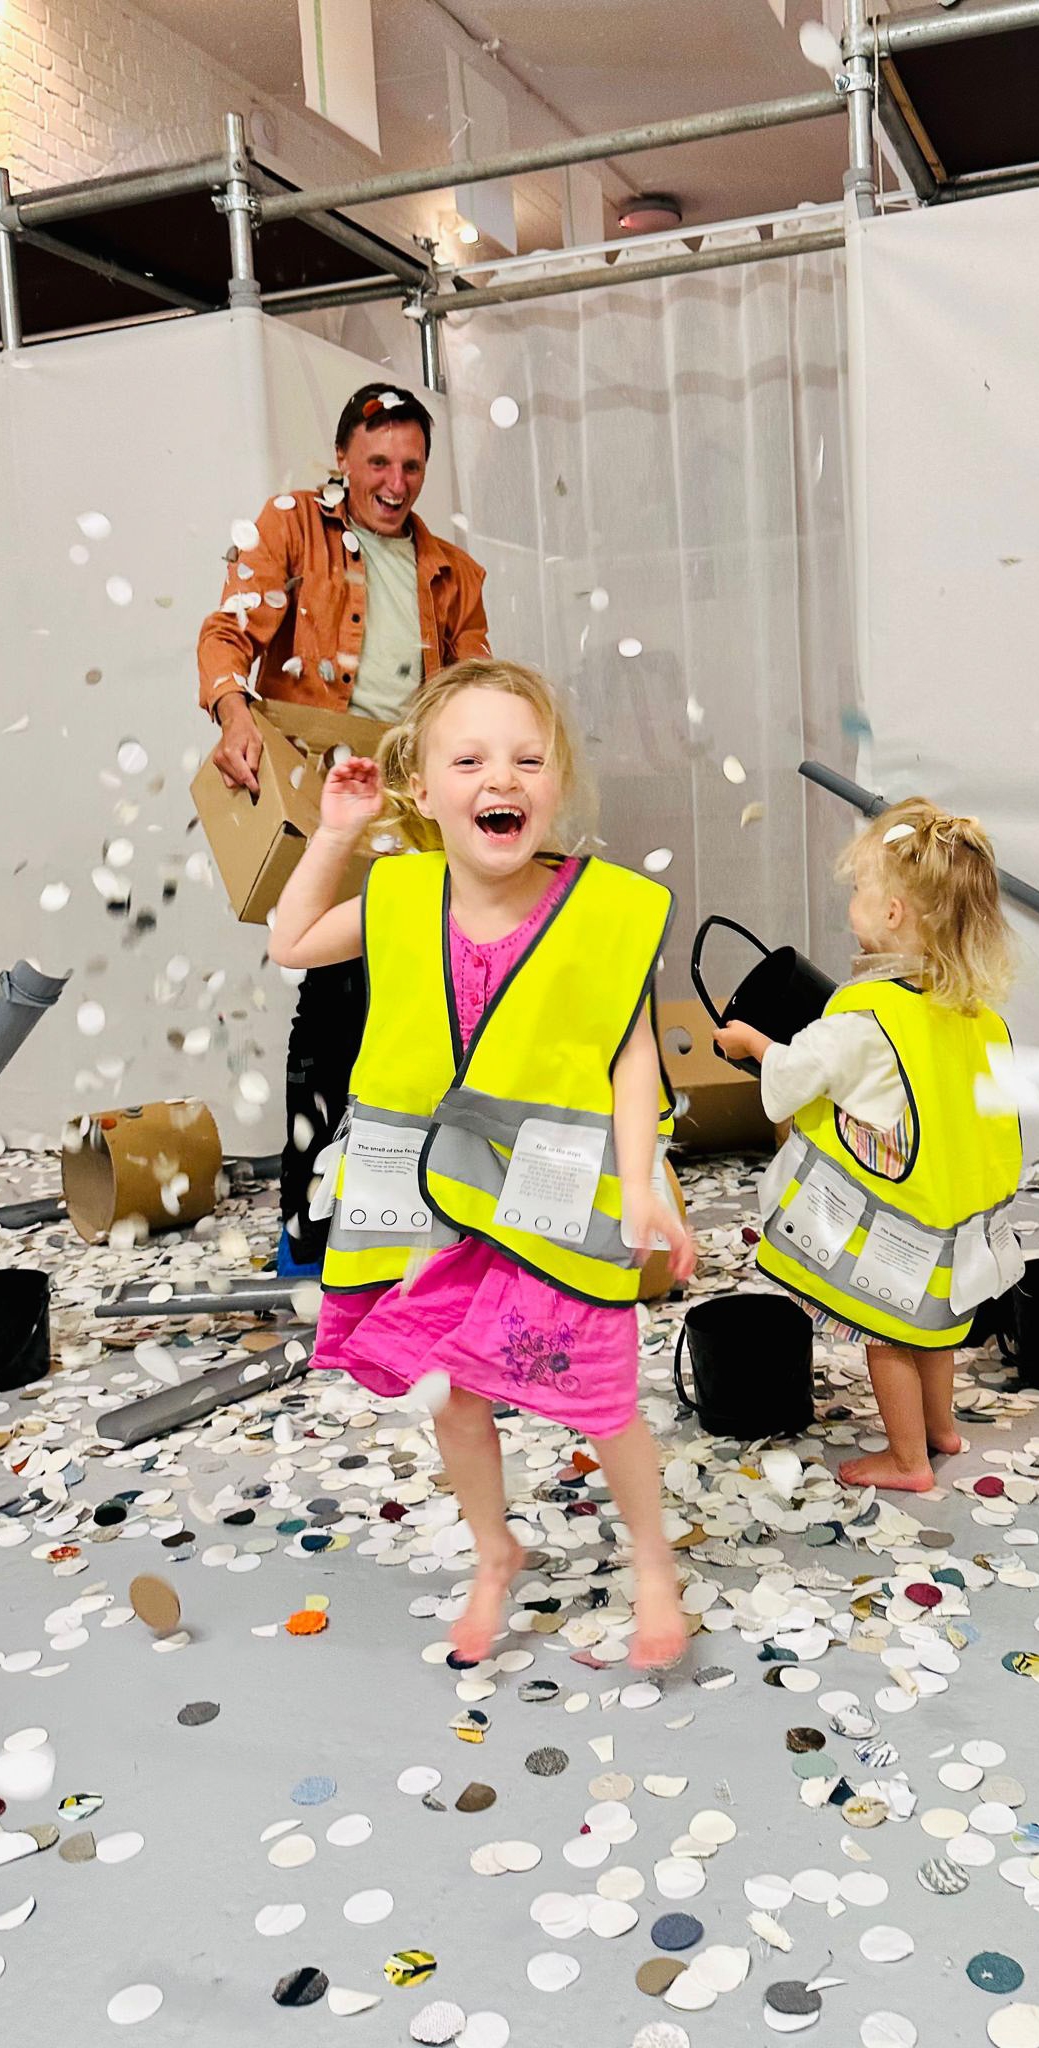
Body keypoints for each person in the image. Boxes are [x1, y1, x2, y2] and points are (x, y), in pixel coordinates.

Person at [268, 657, 696, 1667]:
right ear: (423, 789)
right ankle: (494, 1547)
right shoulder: (402, 892)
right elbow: (290, 941)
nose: (500, 777)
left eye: (527, 759)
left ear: (556, 786)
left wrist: (643, 1183)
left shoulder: (600, 910)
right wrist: (335, 833)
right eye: (469, 758)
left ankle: (651, 1563)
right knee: (458, 1394)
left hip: (549, 1189)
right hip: (440, 1197)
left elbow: (629, 1052)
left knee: (601, 1397)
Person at [196, 384, 491, 1269]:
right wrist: (232, 712)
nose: (395, 483)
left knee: (426, 999)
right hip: (330, 787)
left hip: (415, 798)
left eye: (410, 466)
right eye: (378, 464)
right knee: (332, 993)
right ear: (342, 460)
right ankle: (306, 1225)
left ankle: (410, 1210)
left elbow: (474, 695)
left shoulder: (455, 571)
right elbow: (228, 632)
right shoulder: (292, 525)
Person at [715, 797, 1024, 1493]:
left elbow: (793, 1075)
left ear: (892, 915)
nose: (850, 901)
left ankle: (909, 1460)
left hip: (893, 1229)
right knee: (937, 1330)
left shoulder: (863, 1016)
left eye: (860, 890)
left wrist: (750, 1043)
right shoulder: (973, 1013)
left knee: (887, 1335)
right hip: (954, 1219)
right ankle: (942, 1429)